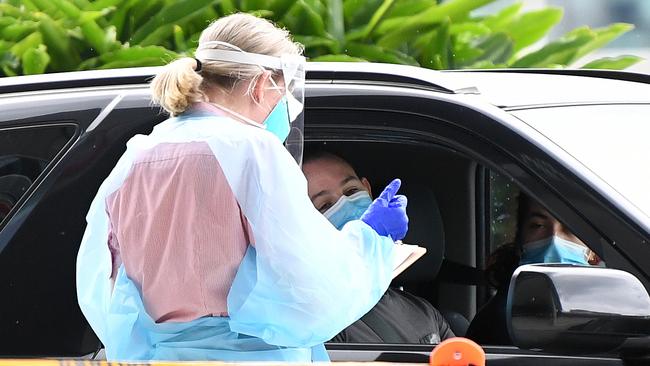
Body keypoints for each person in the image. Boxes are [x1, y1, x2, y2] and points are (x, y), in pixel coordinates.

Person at [76, 14, 408, 362]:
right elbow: (316, 292)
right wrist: (371, 239)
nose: (286, 106)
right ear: (263, 84)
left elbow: (103, 295)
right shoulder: (251, 151)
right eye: (284, 91)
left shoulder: (136, 157)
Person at [302, 151, 454, 344]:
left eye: (351, 191)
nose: (346, 204)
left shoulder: (424, 312)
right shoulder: (317, 323)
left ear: (367, 189)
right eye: (324, 205)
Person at [466, 191, 601, 344]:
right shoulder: (500, 322)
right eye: (538, 225)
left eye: (571, 229)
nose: (554, 239)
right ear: (519, 242)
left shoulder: (603, 307)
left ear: (592, 251)